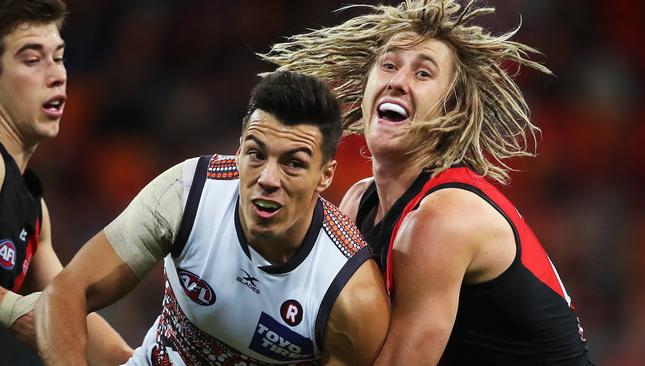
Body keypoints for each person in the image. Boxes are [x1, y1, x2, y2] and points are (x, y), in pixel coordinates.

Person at [261, 0, 593, 364]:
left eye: (423, 74)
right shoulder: (358, 204)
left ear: (453, 110)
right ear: (366, 86)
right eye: (388, 65)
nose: (398, 82)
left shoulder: (444, 219)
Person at [35, 71, 390, 365]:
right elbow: (68, 292)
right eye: (256, 154)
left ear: (325, 176)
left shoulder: (351, 296)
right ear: (238, 152)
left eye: (293, 163)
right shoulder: (189, 192)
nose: (267, 178)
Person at [0, 0, 133, 363]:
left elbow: (69, 315)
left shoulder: (33, 211)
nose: (57, 75)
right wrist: (11, 307)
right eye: (32, 59)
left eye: (58, 57)